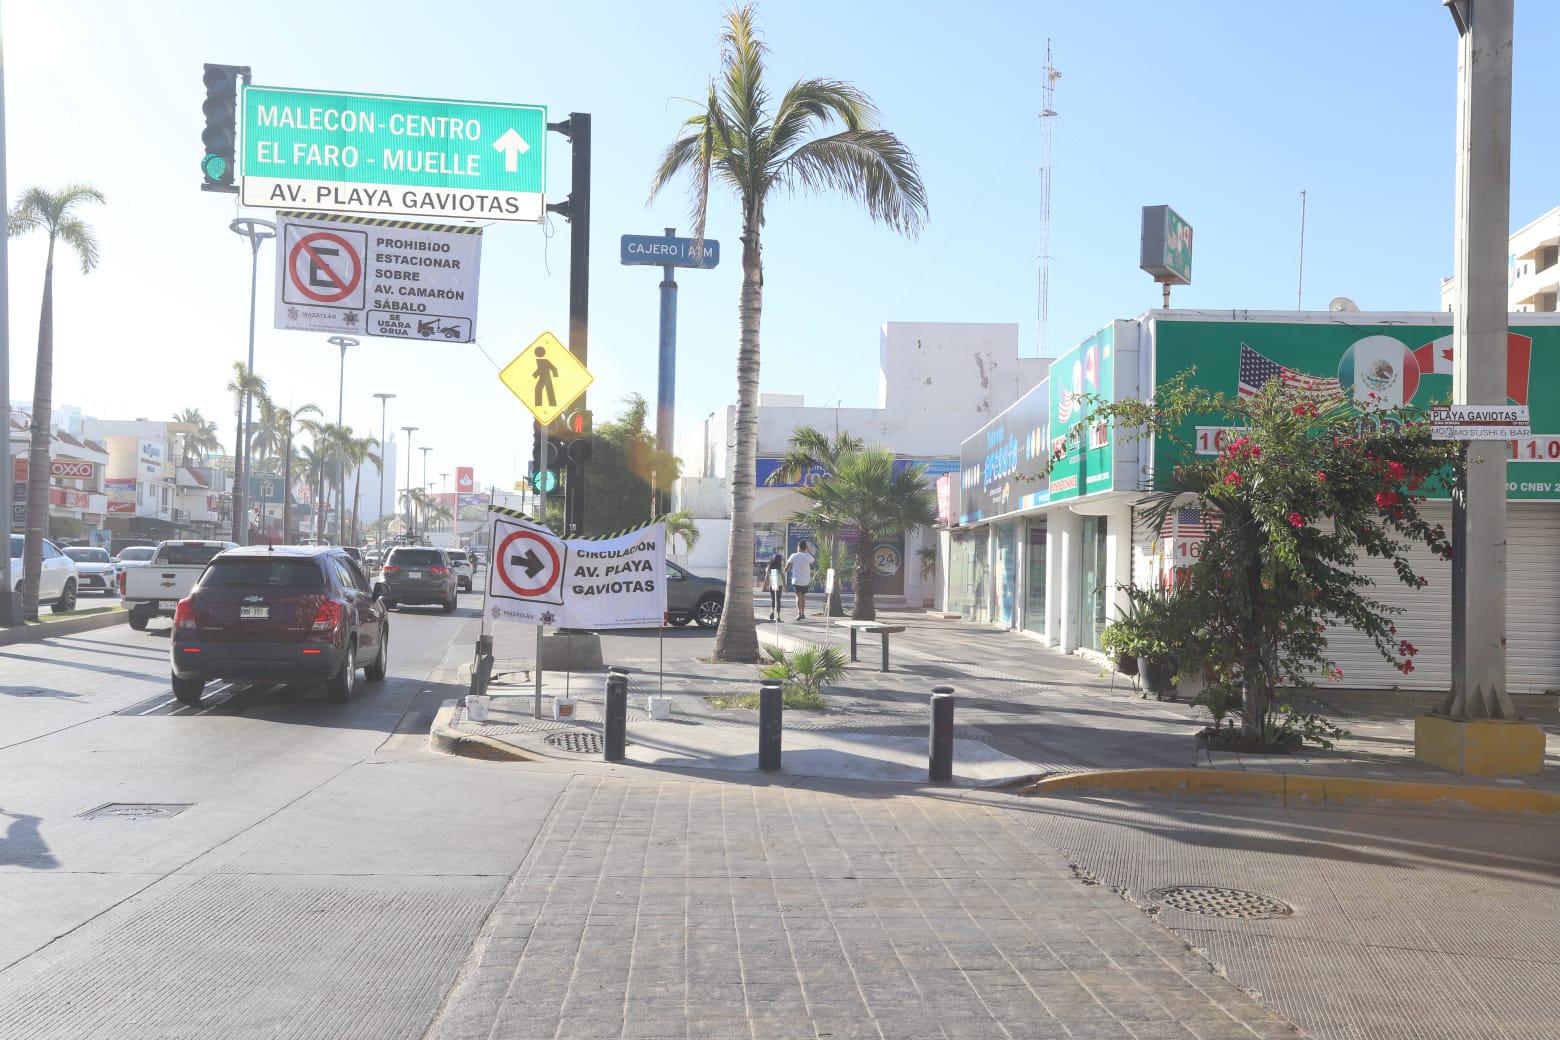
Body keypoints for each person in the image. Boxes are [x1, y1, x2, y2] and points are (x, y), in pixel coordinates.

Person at [786, 540, 816, 620]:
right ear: (805, 548)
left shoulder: (794, 556)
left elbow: (786, 568)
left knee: (798, 597)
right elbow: (813, 560)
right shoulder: (808, 556)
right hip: (805, 581)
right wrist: (807, 551)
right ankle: (803, 613)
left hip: (796, 580)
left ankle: (799, 613)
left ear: (798, 547)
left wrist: (789, 568)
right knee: (803, 597)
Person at [765, 551, 785, 621]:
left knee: (773, 599)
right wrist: (785, 587)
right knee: (778, 600)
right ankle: (778, 616)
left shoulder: (770, 566)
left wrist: (765, 584)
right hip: (779, 583)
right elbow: (783, 577)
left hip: (773, 581)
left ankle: (772, 611)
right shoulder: (780, 566)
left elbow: (767, 574)